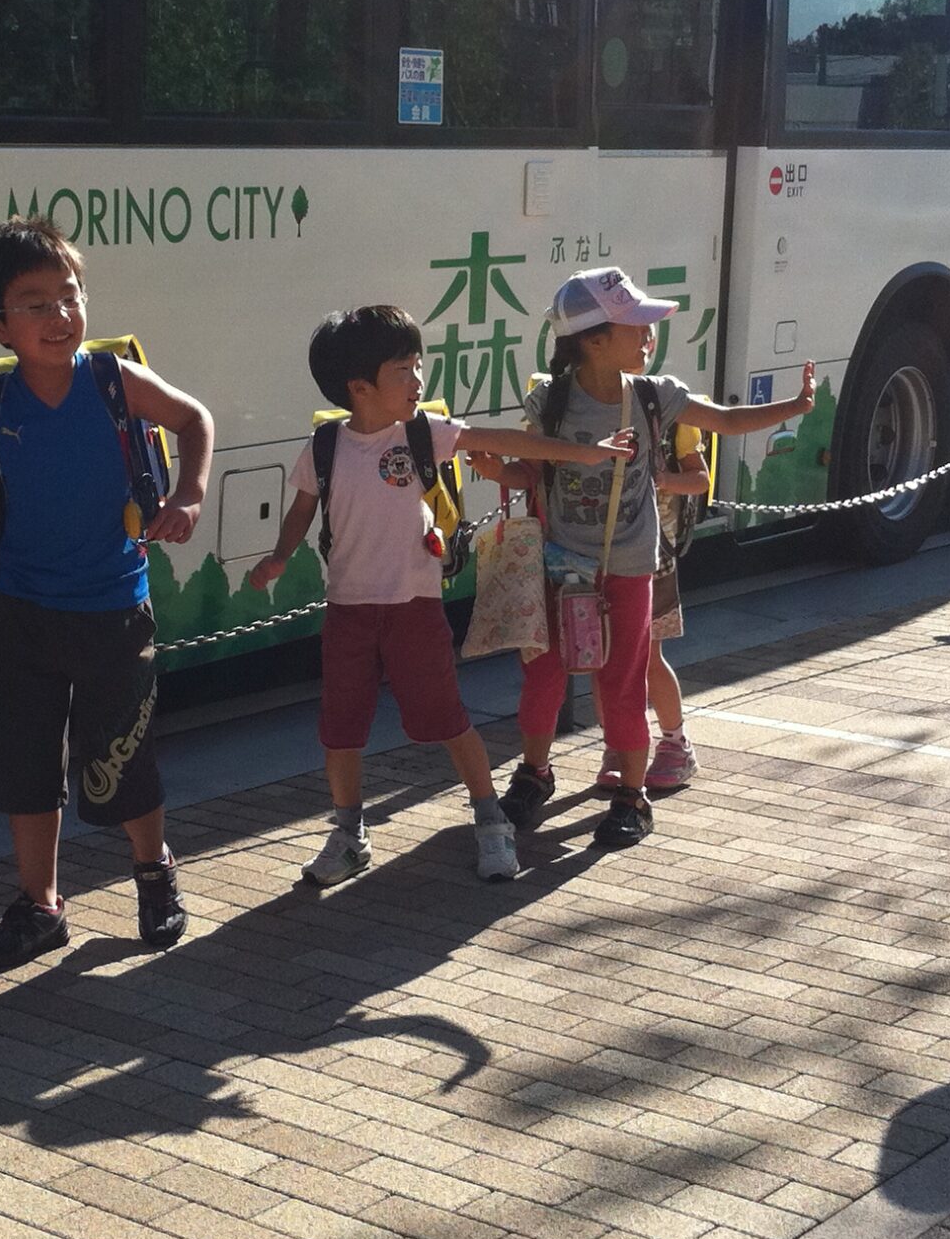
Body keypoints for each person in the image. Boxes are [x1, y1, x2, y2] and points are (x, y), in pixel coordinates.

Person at [245, 306, 635, 888]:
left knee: (447, 719)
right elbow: (303, 507)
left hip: (415, 608)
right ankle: (348, 834)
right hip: (348, 611)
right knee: (340, 729)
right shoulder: (324, 445)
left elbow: (500, 439)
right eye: (403, 369)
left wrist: (586, 452)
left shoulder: (425, 432)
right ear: (359, 387)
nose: (419, 380)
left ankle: (491, 821)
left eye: (418, 365)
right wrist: (279, 555)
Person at [0, 218, 213, 969]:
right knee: (26, 767)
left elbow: (194, 420)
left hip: (113, 608)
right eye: (36, 304)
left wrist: (188, 494)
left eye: (70, 295)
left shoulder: (113, 381)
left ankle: (153, 870)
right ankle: (41, 906)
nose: (60, 315)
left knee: (122, 755)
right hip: (21, 612)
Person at [503, 268, 813, 850]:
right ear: (595, 340)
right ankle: (535, 773)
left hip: (628, 566)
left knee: (623, 678)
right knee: (542, 674)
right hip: (560, 564)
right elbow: (530, 471)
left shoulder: (654, 394)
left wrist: (796, 405)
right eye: (637, 325)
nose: (650, 335)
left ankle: (631, 796)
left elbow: (724, 421)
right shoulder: (550, 401)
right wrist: (496, 467)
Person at [642, 422, 713, 795]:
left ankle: (676, 744)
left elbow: (700, 479)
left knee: (648, 656)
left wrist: (665, 480)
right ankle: (617, 747)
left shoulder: (669, 414)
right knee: (603, 659)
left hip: (654, 557)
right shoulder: (583, 405)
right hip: (598, 556)